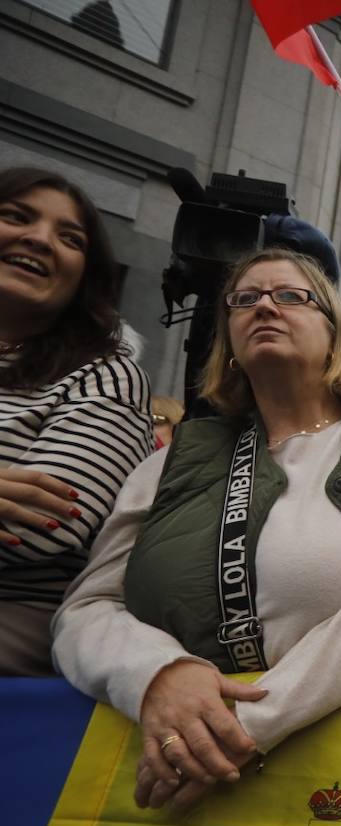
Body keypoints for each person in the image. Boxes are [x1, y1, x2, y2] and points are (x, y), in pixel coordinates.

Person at [52, 245, 341, 809]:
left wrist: (247, 723)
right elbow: (85, 610)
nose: (265, 307)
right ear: (230, 339)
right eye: (245, 300)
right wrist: (157, 675)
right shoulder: (169, 461)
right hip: (166, 769)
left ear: (334, 330)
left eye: (291, 296)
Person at [0, 166, 153, 676]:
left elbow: (44, 527)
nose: (39, 239)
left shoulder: (105, 375)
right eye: (15, 216)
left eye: (70, 238)